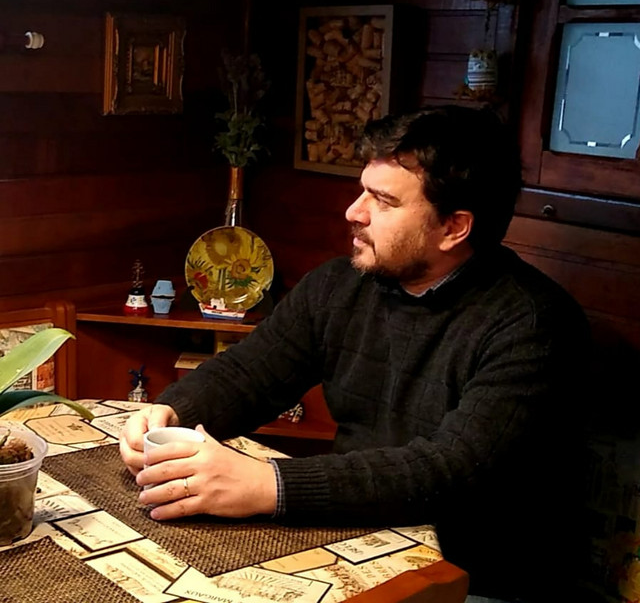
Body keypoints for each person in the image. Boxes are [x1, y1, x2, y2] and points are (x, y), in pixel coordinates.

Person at [120, 106, 590, 602]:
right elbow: (247, 374)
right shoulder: (340, 284)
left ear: (454, 227)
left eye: (383, 201)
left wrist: (266, 485)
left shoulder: (535, 324)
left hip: (478, 579)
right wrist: (171, 413)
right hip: (354, 539)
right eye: (363, 189)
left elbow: (451, 471)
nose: (354, 211)